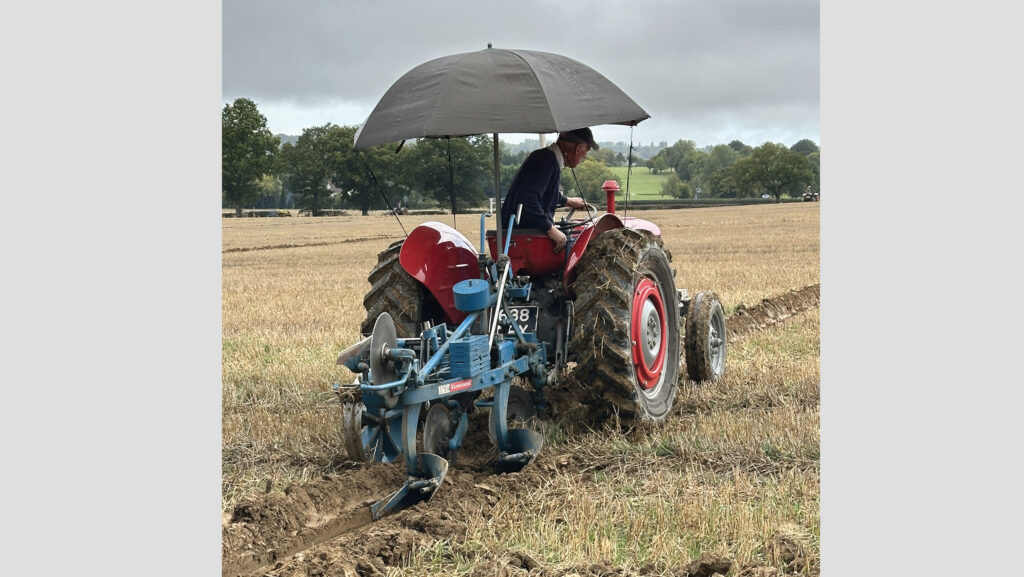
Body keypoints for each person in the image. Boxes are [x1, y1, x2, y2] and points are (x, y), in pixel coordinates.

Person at [500, 127, 597, 253]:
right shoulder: (547, 161)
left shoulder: (545, 157)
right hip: (524, 235)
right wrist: (550, 228)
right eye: (585, 153)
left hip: (517, 231)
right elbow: (528, 200)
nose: (583, 158)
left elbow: (543, 192)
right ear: (579, 148)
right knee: (572, 247)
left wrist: (567, 201)